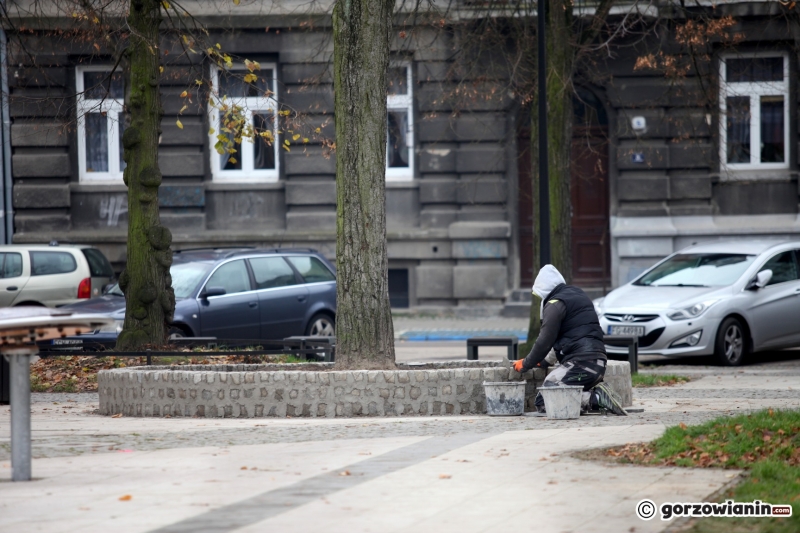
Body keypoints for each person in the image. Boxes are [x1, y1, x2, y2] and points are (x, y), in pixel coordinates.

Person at [512, 264, 627, 416]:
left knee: (545, 398)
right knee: (554, 394)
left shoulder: (555, 304)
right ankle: (596, 395)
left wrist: (526, 363)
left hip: (581, 365)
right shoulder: (577, 294)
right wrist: (544, 361)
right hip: (597, 364)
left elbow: (545, 340)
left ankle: (594, 398)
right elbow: (564, 339)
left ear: (543, 289)